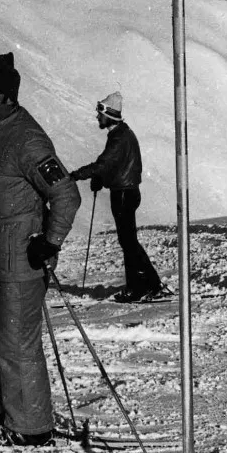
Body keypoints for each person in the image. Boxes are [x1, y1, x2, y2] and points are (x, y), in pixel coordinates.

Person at [0, 52, 81, 447]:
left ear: (9, 98)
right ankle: (17, 412)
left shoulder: (27, 139)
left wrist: (49, 242)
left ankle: (31, 428)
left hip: (21, 251)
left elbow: (66, 194)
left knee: (16, 342)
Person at [70, 92, 170, 303]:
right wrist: (101, 178)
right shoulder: (122, 134)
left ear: (110, 115)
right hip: (128, 191)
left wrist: (77, 175)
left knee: (128, 243)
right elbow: (113, 166)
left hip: (123, 194)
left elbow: (104, 164)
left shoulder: (119, 137)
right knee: (129, 242)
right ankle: (150, 284)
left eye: (100, 114)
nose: (98, 118)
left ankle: (138, 288)